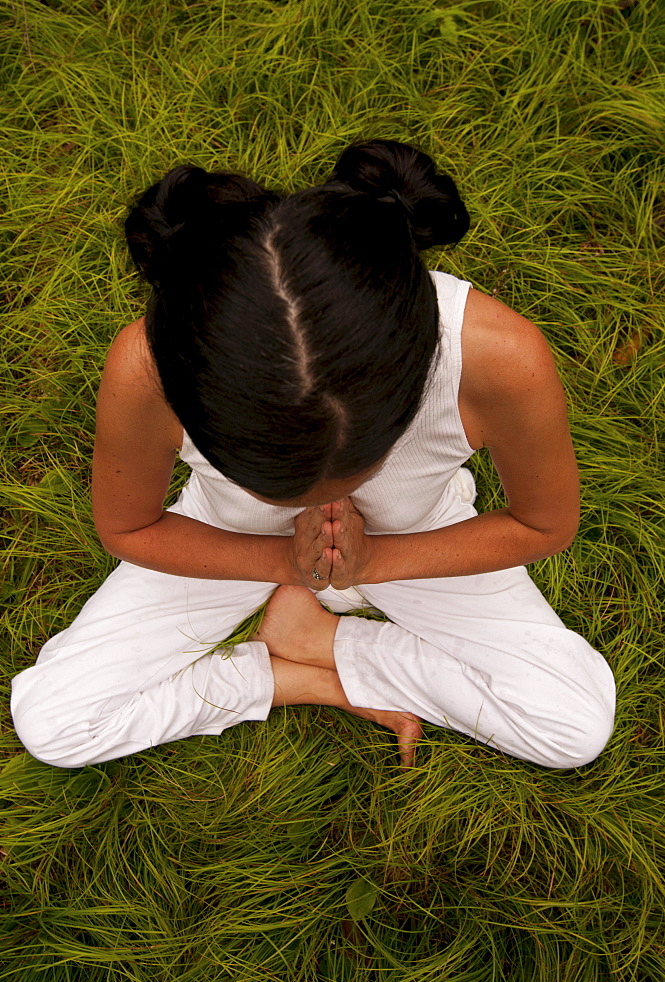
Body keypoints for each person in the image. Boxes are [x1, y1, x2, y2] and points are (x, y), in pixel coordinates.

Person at [10, 139, 615, 771]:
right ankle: (292, 671)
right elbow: (128, 525)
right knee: (56, 724)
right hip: (226, 538)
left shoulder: (495, 357)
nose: (323, 502)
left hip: (420, 536)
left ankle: (316, 636)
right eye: (273, 484)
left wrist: (375, 560)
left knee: (572, 727)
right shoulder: (153, 367)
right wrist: (282, 560)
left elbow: (543, 523)